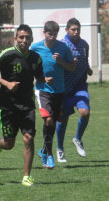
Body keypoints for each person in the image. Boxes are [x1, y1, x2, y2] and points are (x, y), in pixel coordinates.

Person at [0, 25, 52, 186]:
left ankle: (26, 177)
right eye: (21, 37)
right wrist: (6, 83)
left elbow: (39, 77)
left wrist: (46, 80)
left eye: (27, 37)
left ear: (31, 39)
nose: (24, 40)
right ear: (16, 38)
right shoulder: (8, 54)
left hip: (27, 105)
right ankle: (0, 144)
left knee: (29, 138)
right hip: (7, 106)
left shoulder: (36, 58)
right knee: (10, 143)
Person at [30, 21, 75, 169]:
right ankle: (49, 155)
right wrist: (41, 79)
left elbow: (72, 67)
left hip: (59, 90)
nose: (52, 37)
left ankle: (43, 150)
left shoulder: (63, 47)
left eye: (55, 34)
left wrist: (61, 61)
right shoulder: (35, 48)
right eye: (50, 34)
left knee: (53, 123)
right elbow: (29, 68)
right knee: (48, 119)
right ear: (44, 32)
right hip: (43, 90)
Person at [56, 18, 93, 162]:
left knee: (85, 112)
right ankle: (60, 148)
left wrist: (88, 68)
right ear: (67, 30)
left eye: (78, 29)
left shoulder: (84, 44)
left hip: (80, 85)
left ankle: (78, 139)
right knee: (63, 118)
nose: (76, 32)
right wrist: (68, 64)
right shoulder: (61, 45)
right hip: (65, 87)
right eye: (73, 29)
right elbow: (57, 64)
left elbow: (86, 59)